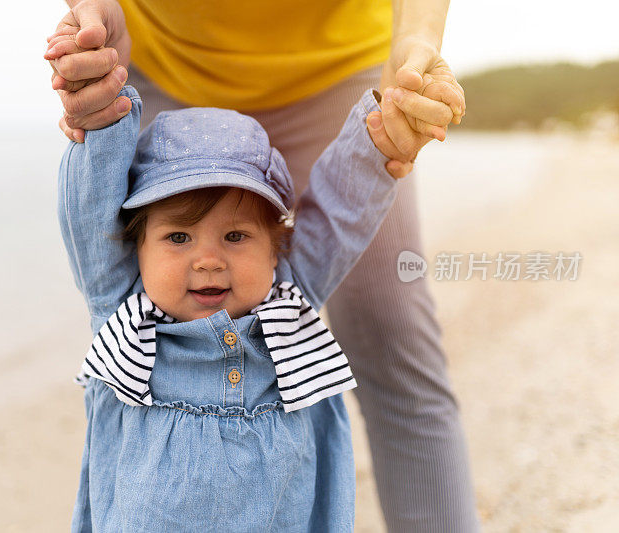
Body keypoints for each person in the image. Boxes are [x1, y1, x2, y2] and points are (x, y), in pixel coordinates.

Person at [47, 1, 478, 530]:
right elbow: (92, 212)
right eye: (178, 237)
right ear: (135, 245)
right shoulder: (121, 309)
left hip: (334, 59)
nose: (208, 261)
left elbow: (338, 214)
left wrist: (379, 139)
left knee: (395, 338)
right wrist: (101, 120)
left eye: (235, 236)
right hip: (166, 57)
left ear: (278, 248)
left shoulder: (290, 302)